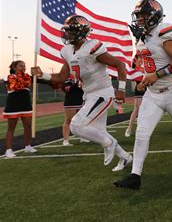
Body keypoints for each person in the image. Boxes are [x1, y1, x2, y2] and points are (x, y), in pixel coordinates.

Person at [114, 0, 172, 190]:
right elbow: (148, 64)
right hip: (153, 94)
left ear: (155, 16)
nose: (140, 20)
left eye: (144, 15)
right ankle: (135, 175)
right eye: (139, 16)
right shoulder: (142, 37)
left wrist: (156, 75)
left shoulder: (164, 30)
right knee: (142, 132)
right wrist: (145, 79)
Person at [31, 15, 132, 171]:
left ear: (81, 32)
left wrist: (121, 90)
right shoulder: (67, 51)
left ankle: (109, 144)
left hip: (102, 93)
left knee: (76, 126)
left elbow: (119, 65)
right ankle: (125, 157)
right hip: (89, 94)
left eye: (70, 31)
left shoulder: (92, 47)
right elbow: (61, 77)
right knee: (99, 132)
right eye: (66, 31)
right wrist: (42, 75)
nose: (66, 34)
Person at [3, 61, 37, 158]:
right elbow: (17, 86)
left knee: (28, 126)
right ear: (14, 67)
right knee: (11, 128)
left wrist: (34, 75)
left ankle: (28, 146)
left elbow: (29, 83)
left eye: (24, 66)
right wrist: (27, 79)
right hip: (13, 105)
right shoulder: (10, 77)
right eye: (20, 66)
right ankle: (8, 150)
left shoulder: (27, 76)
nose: (23, 67)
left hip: (25, 105)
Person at [125, 48, 146, 138]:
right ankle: (129, 128)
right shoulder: (135, 58)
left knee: (147, 109)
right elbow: (131, 71)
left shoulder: (149, 55)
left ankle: (142, 129)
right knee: (137, 109)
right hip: (139, 85)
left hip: (149, 85)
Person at [62, 77, 84, 146]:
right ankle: (66, 140)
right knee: (68, 120)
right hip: (70, 102)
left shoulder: (82, 76)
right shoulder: (67, 78)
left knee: (82, 120)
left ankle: (83, 136)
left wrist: (83, 84)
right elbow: (67, 89)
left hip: (81, 101)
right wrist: (76, 83)